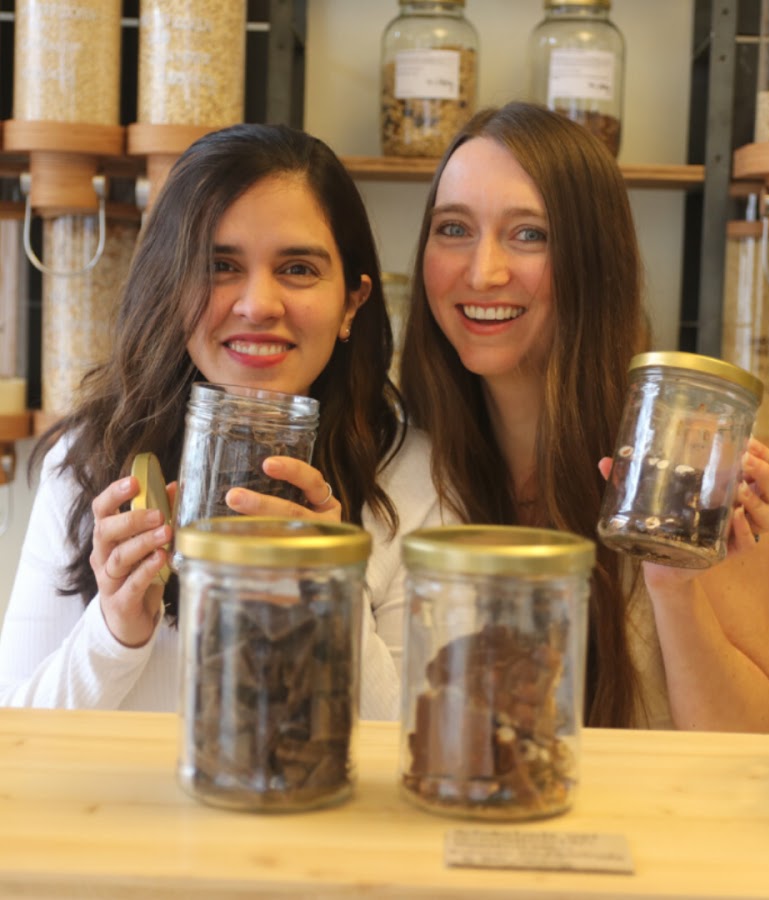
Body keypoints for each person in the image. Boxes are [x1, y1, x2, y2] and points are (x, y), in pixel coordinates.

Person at [0, 123, 444, 719]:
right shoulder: (87, 463)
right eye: (220, 265)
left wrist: (330, 598)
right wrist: (113, 632)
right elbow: (13, 741)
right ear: (172, 288)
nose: (258, 305)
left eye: (298, 269)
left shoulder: (415, 482)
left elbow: (422, 744)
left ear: (352, 303)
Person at [399, 101, 769, 733]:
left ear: (594, 259)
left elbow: (753, 744)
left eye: (530, 234)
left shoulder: (689, 461)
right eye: (453, 228)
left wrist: (672, 579)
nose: (482, 271)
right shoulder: (399, 466)